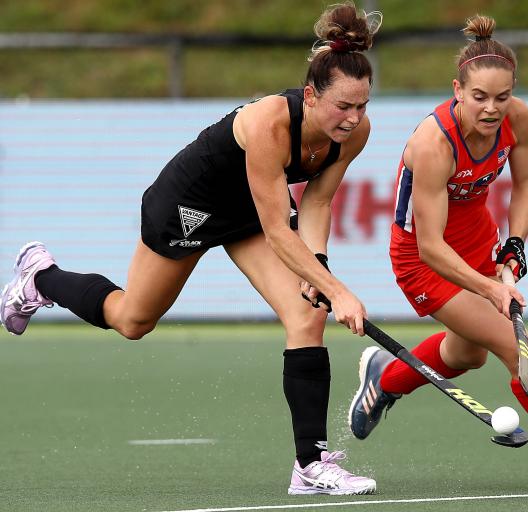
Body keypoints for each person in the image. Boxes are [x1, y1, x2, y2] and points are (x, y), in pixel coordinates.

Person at [0, 2, 383, 496]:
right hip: (189, 201)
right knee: (133, 320)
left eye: (362, 107)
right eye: (343, 107)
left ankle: (310, 464)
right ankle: (39, 276)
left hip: (247, 210)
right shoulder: (270, 124)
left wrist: (320, 270)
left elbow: (317, 203)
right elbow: (277, 230)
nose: (353, 119)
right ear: (310, 96)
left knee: (306, 315)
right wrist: (339, 291)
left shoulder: (353, 135)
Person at [348, 15, 528, 489]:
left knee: (467, 354)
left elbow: (526, 186)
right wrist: (490, 290)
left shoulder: (517, 118)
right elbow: (431, 247)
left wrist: (513, 248)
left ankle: (387, 378)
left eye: (502, 97)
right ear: (457, 89)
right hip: (422, 259)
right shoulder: (433, 144)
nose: (491, 109)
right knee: (514, 347)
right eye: (479, 97)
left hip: (478, 238)